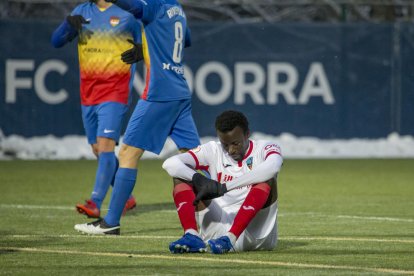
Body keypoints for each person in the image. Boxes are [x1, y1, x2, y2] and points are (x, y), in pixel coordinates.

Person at [74, 0, 200, 234]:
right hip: (180, 90)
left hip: (158, 93)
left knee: (127, 153)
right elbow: (186, 40)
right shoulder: (177, 8)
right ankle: (225, 211)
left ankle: (110, 223)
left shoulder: (153, 5)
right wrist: (147, 48)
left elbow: (132, 6)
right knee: (195, 158)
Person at [51, 0, 142, 218]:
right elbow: (56, 42)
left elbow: (146, 43)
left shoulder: (128, 13)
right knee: (97, 149)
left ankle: (95, 202)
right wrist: (67, 26)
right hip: (88, 92)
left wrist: (142, 50)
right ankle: (126, 196)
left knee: (105, 147)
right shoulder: (82, 11)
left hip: (115, 90)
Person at [162, 110, 283, 254]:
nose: (231, 150)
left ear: (247, 134)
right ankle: (191, 235)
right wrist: (198, 178)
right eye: (225, 144)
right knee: (181, 176)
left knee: (266, 179)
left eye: (236, 143)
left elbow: (273, 167)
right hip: (219, 227)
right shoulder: (213, 150)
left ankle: (231, 239)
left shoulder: (264, 148)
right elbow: (170, 163)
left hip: (256, 233)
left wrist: (225, 187)